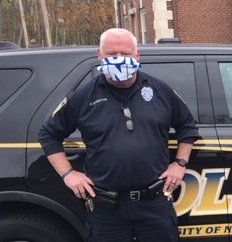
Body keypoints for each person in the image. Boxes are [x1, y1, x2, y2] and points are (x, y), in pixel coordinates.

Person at [38, 28, 199, 242]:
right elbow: (48, 134)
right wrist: (68, 174)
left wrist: (179, 163)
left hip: (155, 204)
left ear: (137, 55)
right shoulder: (84, 96)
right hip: (107, 210)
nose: (119, 60)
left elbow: (187, 126)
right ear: (100, 55)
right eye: (112, 54)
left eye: (125, 54)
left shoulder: (160, 91)